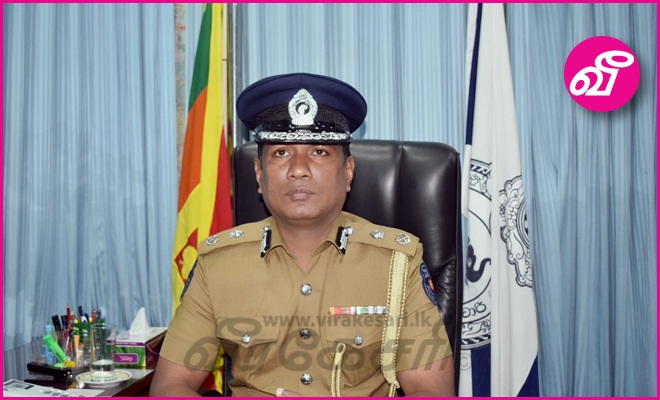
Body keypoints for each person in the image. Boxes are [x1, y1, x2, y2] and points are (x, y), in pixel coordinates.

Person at [151, 73, 454, 397]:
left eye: (319, 152)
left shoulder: (396, 263)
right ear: (259, 173)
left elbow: (431, 391)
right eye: (281, 152)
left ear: (348, 171)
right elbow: (171, 385)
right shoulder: (218, 264)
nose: (298, 169)